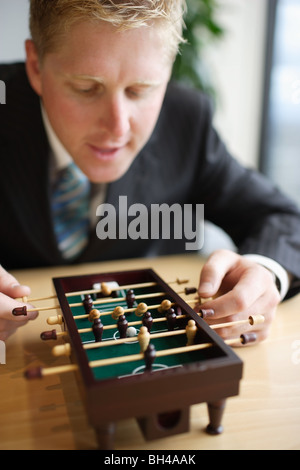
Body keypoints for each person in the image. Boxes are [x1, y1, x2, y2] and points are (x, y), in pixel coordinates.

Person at [1, 0, 300, 343]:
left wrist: (265, 271)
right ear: (36, 66)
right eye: (86, 88)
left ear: (168, 69)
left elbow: (281, 216)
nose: (117, 127)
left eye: (140, 90)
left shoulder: (186, 121)